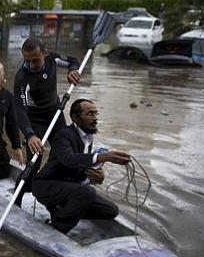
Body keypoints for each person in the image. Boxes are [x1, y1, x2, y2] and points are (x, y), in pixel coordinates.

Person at [32, 99, 131, 234]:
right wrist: (103, 157)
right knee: (87, 192)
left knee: (111, 210)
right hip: (46, 186)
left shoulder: (88, 137)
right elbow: (68, 159)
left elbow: (80, 167)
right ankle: (57, 226)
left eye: (96, 114)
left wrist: (97, 177)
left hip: (69, 187)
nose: (95, 118)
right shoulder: (63, 134)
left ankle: (63, 211)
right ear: (75, 118)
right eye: (90, 114)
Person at [13, 37, 81, 207]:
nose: (31, 65)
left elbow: (74, 60)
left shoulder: (52, 58)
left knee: (65, 156)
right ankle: (16, 201)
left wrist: (73, 70)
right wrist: (29, 135)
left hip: (55, 112)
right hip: (35, 119)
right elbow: (20, 110)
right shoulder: (22, 77)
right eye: (27, 60)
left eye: (35, 60)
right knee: (34, 161)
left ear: (45, 53)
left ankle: (63, 195)